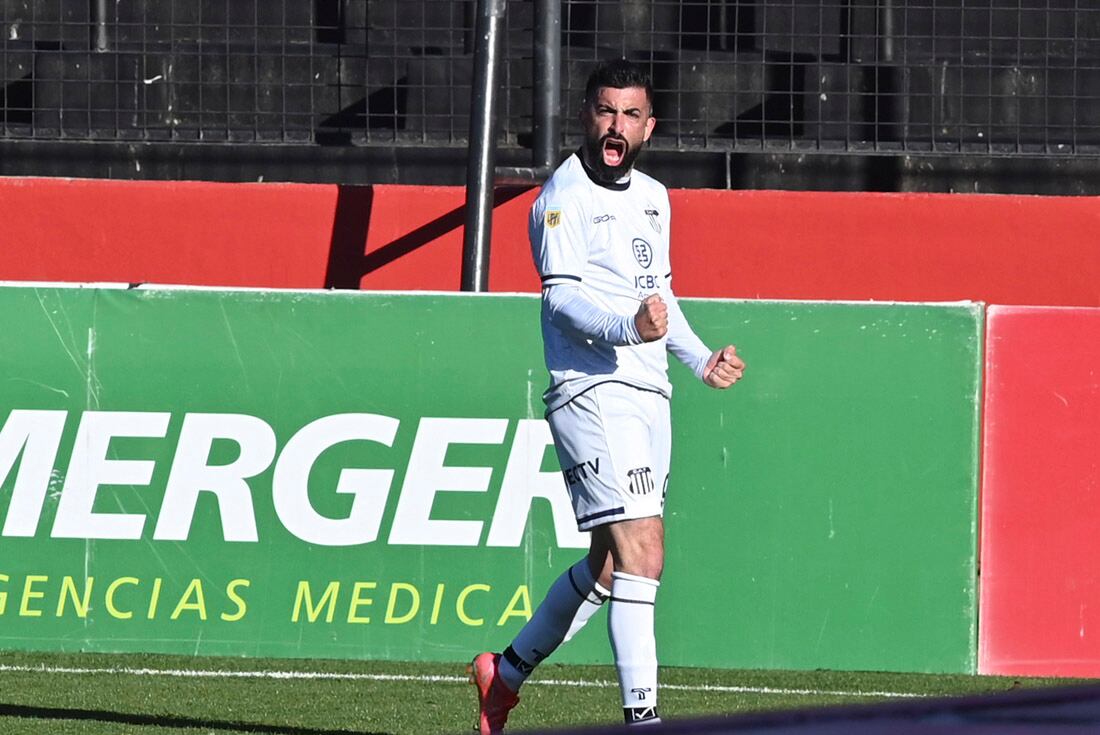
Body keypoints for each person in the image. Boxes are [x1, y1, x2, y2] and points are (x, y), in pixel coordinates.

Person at [469, 58, 745, 734]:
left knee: (610, 566)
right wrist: (627, 327)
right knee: (645, 550)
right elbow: (561, 298)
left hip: (649, 392)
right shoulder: (562, 196)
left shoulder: (654, 196)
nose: (615, 124)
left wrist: (699, 356)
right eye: (605, 110)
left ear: (647, 127)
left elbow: (662, 299)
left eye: (629, 113)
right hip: (590, 389)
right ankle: (642, 720)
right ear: (586, 117)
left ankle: (502, 677)